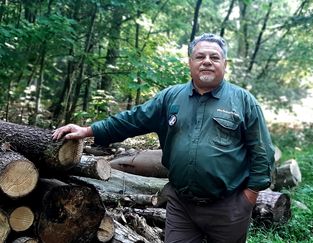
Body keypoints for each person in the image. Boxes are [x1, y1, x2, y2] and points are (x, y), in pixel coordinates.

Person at [52, 33, 275, 243]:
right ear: (190, 63)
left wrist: (249, 196)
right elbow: (132, 119)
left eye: (214, 57)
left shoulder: (243, 101)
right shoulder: (171, 97)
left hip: (229, 206)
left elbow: (262, 151)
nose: (207, 61)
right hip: (182, 206)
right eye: (200, 56)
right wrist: (88, 130)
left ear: (224, 64)